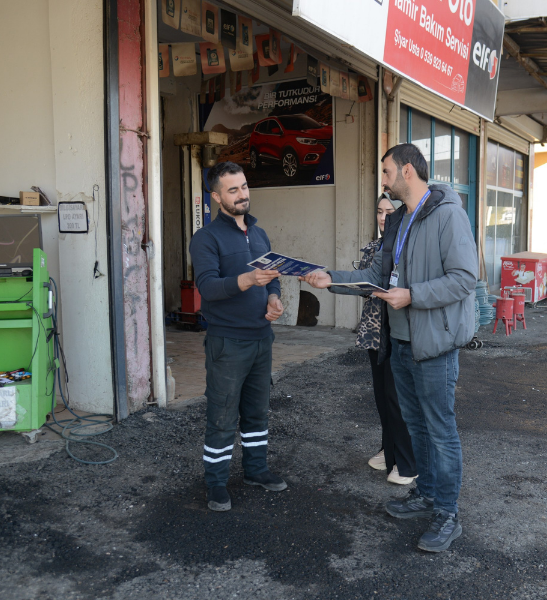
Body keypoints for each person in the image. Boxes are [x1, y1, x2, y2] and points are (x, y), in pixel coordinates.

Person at [302, 144, 477, 552]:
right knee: (415, 426)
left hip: (433, 344)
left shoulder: (448, 215)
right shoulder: (398, 220)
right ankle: (427, 496)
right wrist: (332, 279)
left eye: (386, 172)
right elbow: (376, 275)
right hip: (398, 342)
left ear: (408, 172)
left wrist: (413, 295)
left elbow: (464, 278)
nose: (382, 180)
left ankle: (448, 514)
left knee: (440, 430)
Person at [189, 161, 288, 512]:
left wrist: (274, 297)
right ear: (216, 197)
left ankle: (255, 470)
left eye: (244, 186)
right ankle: (215, 483)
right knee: (222, 415)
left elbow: (273, 276)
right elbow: (208, 288)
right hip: (227, 341)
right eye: (233, 190)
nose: (242, 194)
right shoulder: (205, 238)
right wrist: (248, 280)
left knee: (257, 411)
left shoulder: (259, 234)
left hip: (262, 337)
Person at [353, 193, 417, 485]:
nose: (382, 217)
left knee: (396, 398)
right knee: (381, 396)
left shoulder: (405, 245)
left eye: (388, 211)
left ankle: (407, 461)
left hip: (398, 333)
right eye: (379, 211)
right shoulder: (374, 247)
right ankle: (386, 448)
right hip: (374, 331)